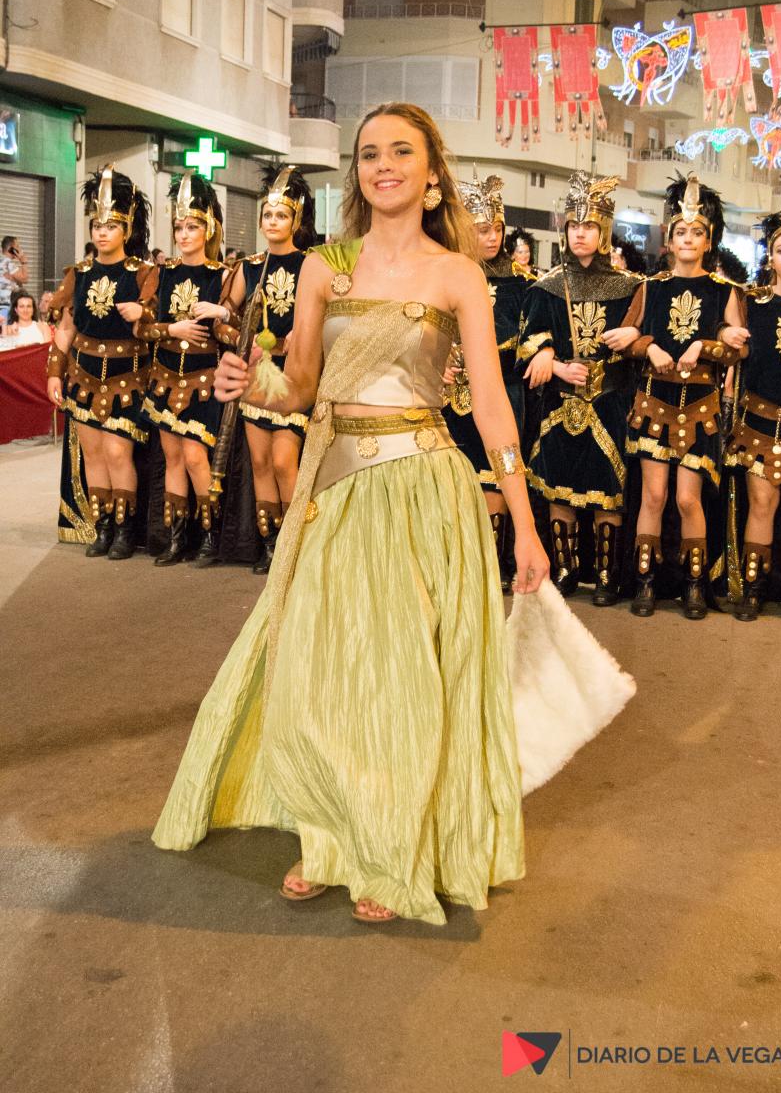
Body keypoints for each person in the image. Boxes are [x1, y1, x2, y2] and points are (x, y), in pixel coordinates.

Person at [152, 102, 553, 926]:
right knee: (321, 666)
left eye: (401, 152)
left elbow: (490, 406)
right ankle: (330, 834)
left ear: (432, 174)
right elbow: (299, 385)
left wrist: (523, 519)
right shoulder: (323, 268)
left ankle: (390, 847)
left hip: (422, 492)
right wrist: (252, 381)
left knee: (402, 675)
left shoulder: (458, 274)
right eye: (369, 154)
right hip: (333, 489)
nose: (384, 165)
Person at [516, 172, 642, 605]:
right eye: (573, 225)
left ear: (603, 231)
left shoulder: (630, 288)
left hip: (611, 402)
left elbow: (647, 337)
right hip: (561, 404)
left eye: (589, 225)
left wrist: (634, 336)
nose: (580, 233)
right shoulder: (548, 287)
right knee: (560, 488)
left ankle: (607, 576)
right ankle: (565, 569)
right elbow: (528, 342)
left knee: (609, 492)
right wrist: (550, 361)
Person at [624, 173, 746, 618]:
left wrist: (704, 346)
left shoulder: (724, 291)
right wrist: (650, 347)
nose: (688, 239)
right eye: (681, 232)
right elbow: (629, 338)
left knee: (687, 499)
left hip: (700, 410)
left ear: (708, 241)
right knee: (653, 497)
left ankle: (695, 584)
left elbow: (738, 349)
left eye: (696, 232)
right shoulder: (650, 287)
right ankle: (645, 582)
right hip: (654, 404)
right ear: (669, 240)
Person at [46, 166, 156, 557]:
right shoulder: (78, 275)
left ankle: (125, 531)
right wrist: (54, 373)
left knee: (117, 454)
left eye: (111, 226)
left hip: (128, 377)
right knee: (92, 455)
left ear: (126, 229)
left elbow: (156, 326)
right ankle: (103, 527)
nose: (102, 232)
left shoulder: (144, 273)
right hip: (83, 375)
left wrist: (142, 314)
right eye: (97, 225)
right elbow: (65, 330)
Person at [216, 166, 315, 573]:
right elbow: (224, 319)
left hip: (295, 377)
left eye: (282, 215)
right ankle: (270, 544)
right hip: (256, 377)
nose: (273, 222)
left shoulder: (311, 265)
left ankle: (294, 546)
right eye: (268, 215)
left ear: (296, 221)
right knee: (259, 462)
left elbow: (323, 320)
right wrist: (243, 339)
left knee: (283, 461)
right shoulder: (249, 267)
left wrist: (290, 341)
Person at [443, 171, 532, 587]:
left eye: (497, 228)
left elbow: (532, 337)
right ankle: (454, 564)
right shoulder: (447, 274)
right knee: (453, 481)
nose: (493, 237)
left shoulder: (523, 283)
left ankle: (492, 565)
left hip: (501, 392)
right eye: (482, 229)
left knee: (497, 476)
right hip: (449, 395)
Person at [137, 174, 228, 567]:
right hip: (164, 377)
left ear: (208, 229)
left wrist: (222, 314)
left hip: (203, 380)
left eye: (192, 227)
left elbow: (236, 329)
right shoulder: (163, 272)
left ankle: (210, 537)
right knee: (172, 458)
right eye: (179, 227)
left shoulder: (221, 274)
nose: (184, 234)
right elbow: (142, 329)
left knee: (194, 458)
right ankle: (177, 539)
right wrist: (171, 329)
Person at [725, 199, 781, 621]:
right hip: (758, 420)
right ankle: (753, 589)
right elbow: (732, 352)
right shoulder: (752, 304)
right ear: (770, 257)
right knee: (761, 504)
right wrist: (726, 336)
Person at [0, 236, 28, 322]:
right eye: (17, 246)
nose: (19, 249)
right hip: (7, 305)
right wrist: (24, 262)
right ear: (10, 248)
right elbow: (25, 278)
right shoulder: (8, 262)